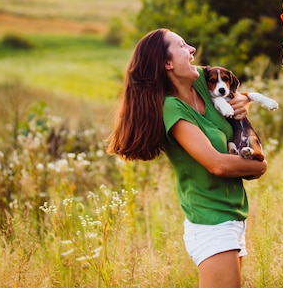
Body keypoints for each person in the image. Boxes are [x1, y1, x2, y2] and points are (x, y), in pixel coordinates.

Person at [107, 28, 268, 288]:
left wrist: (244, 101)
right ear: (167, 63)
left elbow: (232, 92)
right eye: (182, 46)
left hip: (234, 214)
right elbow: (216, 164)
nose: (192, 49)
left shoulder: (203, 83)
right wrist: (259, 165)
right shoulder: (171, 107)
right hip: (210, 220)